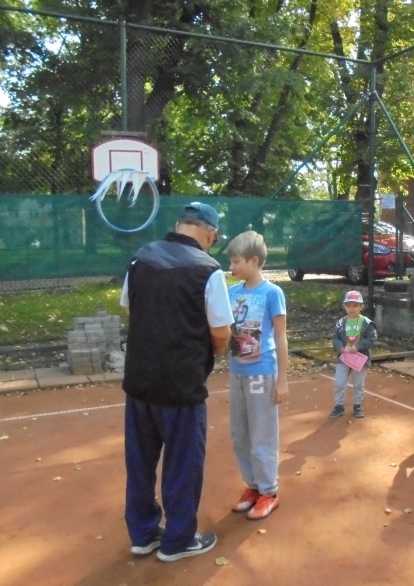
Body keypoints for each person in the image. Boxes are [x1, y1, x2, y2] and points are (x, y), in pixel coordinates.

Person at [120, 202, 233, 562]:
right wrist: (206, 354)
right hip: (182, 386)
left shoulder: (141, 258)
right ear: (210, 234)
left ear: (179, 225)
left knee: (139, 462)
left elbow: (129, 307)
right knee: (183, 463)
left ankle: (142, 534)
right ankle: (179, 539)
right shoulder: (209, 270)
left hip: (139, 382)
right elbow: (221, 333)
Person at [226, 231, 289, 520]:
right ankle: (252, 486)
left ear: (254, 261)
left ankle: (269, 491)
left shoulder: (272, 293)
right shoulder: (232, 293)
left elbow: (281, 336)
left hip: (262, 374)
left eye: (236, 261)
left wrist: (283, 379)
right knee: (240, 434)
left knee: (262, 435)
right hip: (237, 374)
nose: (232, 267)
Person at [329, 290, 378, 419]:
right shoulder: (341, 323)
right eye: (349, 305)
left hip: (360, 359)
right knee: (339, 382)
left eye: (355, 305)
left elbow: (371, 339)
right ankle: (339, 406)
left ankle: (357, 405)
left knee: (358, 384)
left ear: (361, 307)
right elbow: (335, 338)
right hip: (343, 358)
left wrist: (358, 346)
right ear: (344, 306)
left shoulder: (366, 323)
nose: (352, 308)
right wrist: (339, 347)